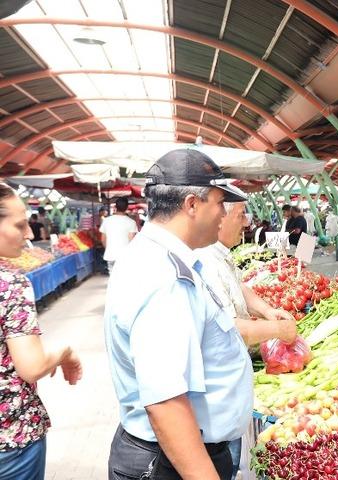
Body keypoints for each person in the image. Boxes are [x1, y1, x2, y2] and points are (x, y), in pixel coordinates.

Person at [104, 149, 251, 479]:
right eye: (219, 202)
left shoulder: (157, 257)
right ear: (192, 204)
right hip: (170, 464)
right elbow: (166, 403)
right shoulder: (164, 278)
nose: (223, 213)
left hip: (170, 456)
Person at [196, 201, 296, 480]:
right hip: (219, 394)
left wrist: (267, 310)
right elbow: (231, 329)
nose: (246, 223)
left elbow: (238, 286)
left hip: (231, 385)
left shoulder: (219, 255)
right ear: (220, 216)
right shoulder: (206, 261)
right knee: (225, 461)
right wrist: (278, 330)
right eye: (241, 215)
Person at [0, 182, 83, 479]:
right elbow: (32, 367)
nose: (30, 235)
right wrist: (64, 353)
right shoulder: (10, 284)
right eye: (20, 225)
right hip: (11, 441)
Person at [99, 197, 139, 273]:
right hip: (125, 257)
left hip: (111, 255)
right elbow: (131, 241)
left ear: (115, 207)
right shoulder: (131, 222)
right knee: (124, 277)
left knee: (112, 277)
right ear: (127, 207)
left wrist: (109, 248)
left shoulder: (107, 221)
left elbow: (103, 239)